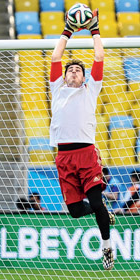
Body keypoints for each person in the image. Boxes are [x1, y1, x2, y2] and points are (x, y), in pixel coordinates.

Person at [50, 10, 115, 270]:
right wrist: (67, 30)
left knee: (97, 201)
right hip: (64, 156)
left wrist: (94, 29)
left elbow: (99, 55)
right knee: (76, 210)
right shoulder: (57, 88)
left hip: (87, 153)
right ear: (65, 76)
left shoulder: (90, 89)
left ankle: (107, 247)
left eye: (78, 70)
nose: (74, 72)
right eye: (71, 70)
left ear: (84, 76)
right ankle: (102, 214)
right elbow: (56, 56)